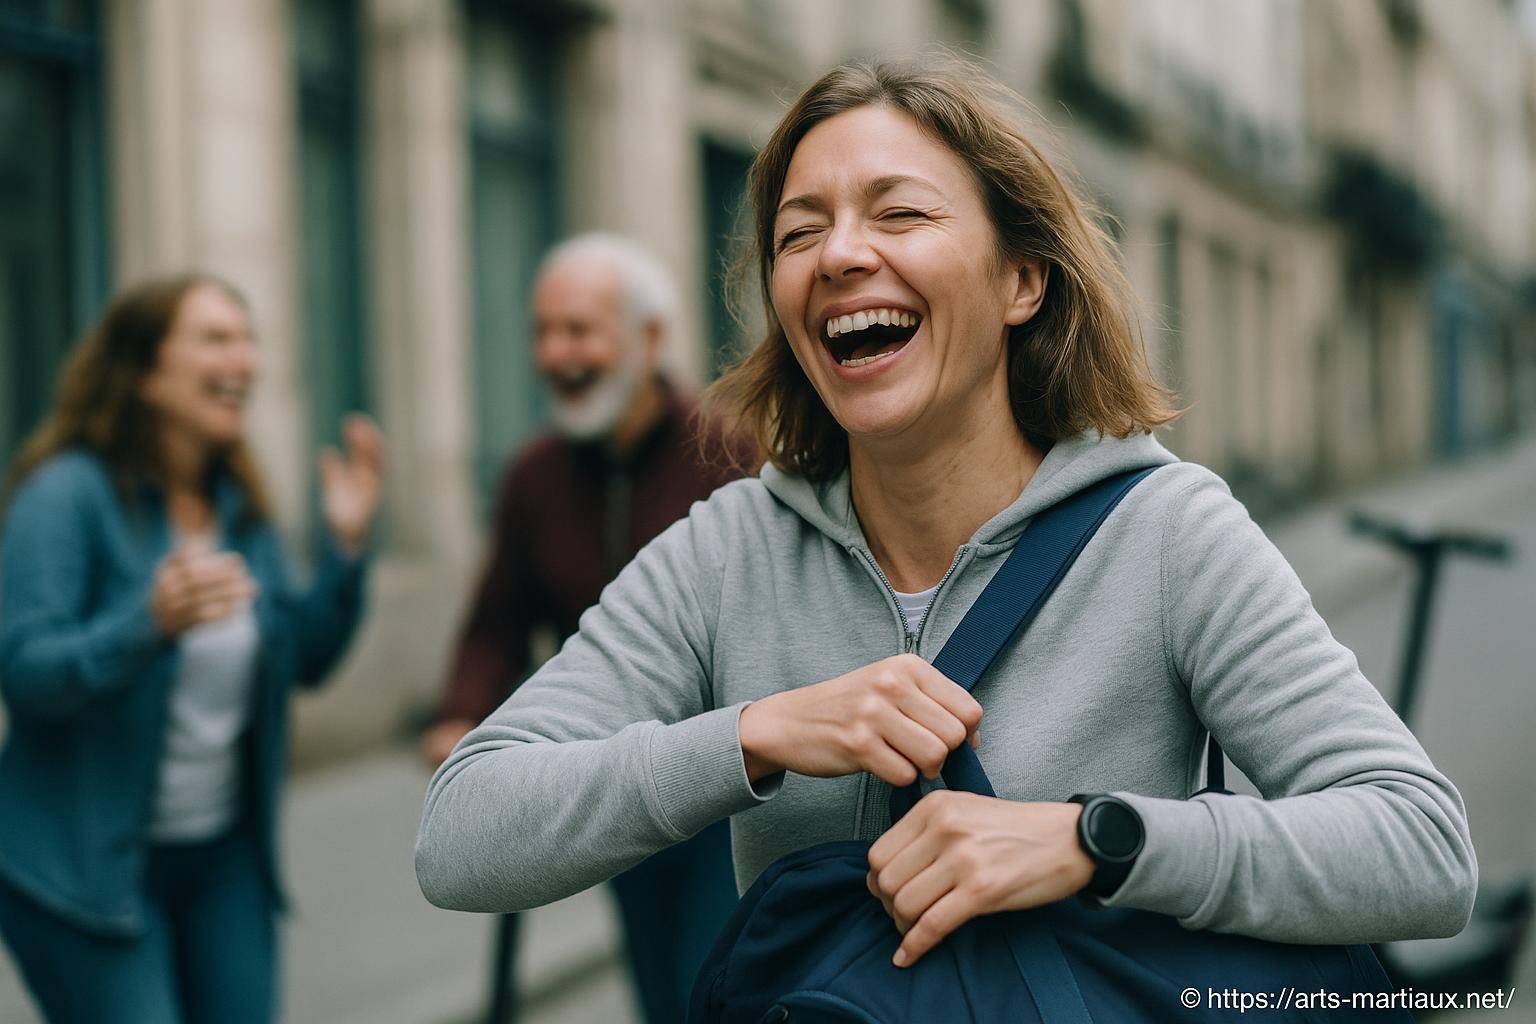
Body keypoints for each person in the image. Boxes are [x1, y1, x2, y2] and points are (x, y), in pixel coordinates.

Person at [416, 57, 1475, 985]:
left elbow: (1422, 851)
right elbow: (462, 834)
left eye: (900, 213)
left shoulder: (1165, 532)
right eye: (799, 231)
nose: (838, 254)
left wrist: (1094, 842)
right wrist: (754, 734)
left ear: (1022, 280)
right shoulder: (724, 552)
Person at [0, 274, 384, 1024]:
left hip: (223, 863)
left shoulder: (237, 506)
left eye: (248, 338)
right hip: (85, 872)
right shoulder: (65, 496)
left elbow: (301, 659)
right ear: (144, 372)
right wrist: (144, 625)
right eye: (216, 338)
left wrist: (345, 549)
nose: (245, 359)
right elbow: (25, 675)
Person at [419, 233, 743, 1023]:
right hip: (612, 779)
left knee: (716, 979)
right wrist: (461, 715)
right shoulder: (536, 476)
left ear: (651, 339)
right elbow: (496, 620)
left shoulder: (731, 450)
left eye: (580, 330)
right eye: (544, 331)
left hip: (732, 786)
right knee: (657, 985)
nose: (557, 352)